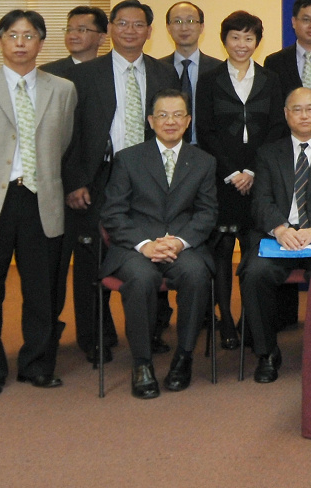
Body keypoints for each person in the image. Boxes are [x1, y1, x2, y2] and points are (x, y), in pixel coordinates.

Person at [0, 9, 78, 398]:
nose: (21, 43)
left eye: (29, 36)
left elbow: (64, 142)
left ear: (41, 42)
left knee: (42, 290)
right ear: (0, 41)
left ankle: (37, 365)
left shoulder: (63, 89)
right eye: (13, 35)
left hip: (41, 198)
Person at [62, 0, 173, 364]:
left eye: (138, 24)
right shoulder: (85, 74)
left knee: (150, 249)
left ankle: (151, 330)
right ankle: (96, 336)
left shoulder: (164, 73)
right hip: (98, 176)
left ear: (149, 32)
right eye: (122, 23)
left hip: (149, 177)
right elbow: (70, 133)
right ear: (109, 29)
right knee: (92, 256)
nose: (129, 30)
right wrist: (75, 181)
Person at [100, 89, 220, 398]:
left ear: (188, 121)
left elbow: (207, 213)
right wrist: (145, 244)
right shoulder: (128, 159)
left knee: (196, 275)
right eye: (163, 115)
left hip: (182, 245)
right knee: (141, 278)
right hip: (135, 247)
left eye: (178, 115)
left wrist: (179, 242)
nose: (171, 121)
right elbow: (113, 213)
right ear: (151, 121)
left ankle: (183, 357)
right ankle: (142, 364)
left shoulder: (204, 161)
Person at [238, 88, 311, 383]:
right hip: (279, 238)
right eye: (297, 109)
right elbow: (261, 200)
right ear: (286, 114)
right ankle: (266, 353)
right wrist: (280, 229)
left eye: (310, 108)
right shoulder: (268, 152)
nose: (304, 115)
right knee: (254, 274)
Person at [196, 10, 288, 353]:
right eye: (235, 37)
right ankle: (225, 321)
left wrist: (251, 171)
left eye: (249, 38)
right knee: (221, 252)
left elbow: (277, 128)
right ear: (224, 40)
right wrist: (232, 171)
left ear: (257, 42)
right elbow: (205, 129)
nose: (241, 44)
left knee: (255, 250)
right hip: (222, 180)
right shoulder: (209, 79)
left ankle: (251, 322)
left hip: (259, 178)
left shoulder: (270, 79)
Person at [161, 1, 219, 145]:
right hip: (167, 148)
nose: (184, 27)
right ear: (168, 27)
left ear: (201, 27)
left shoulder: (218, 70)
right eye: (177, 21)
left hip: (208, 150)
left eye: (191, 21)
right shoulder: (156, 69)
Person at [39, 6, 107, 76]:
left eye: (81, 30)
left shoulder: (109, 71)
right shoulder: (47, 73)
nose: (72, 36)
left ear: (101, 38)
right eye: (69, 30)